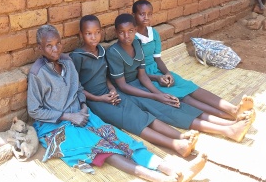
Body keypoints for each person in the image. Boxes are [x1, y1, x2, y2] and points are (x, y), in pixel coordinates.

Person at [27, 24, 207, 182]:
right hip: (56, 127)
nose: (55, 49)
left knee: (123, 140)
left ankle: (172, 169)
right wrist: (68, 116)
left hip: (81, 115)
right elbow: (34, 111)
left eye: (58, 43)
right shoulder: (38, 73)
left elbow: (78, 89)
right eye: (49, 46)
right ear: (40, 48)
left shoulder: (67, 61)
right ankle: (162, 180)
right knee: (104, 148)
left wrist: (82, 107)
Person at [105, 13, 255, 143]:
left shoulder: (137, 43)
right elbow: (123, 86)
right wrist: (156, 97)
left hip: (142, 85)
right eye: (122, 32)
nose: (127, 36)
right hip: (129, 92)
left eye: (130, 31)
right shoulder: (113, 52)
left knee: (176, 102)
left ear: (135, 30)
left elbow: (143, 76)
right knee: (169, 110)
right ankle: (226, 130)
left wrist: (160, 94)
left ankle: (229, 123)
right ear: (116, 33)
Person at [70, 15, 200, 158]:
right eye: (88, 33)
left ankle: (182, 137)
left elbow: (105, 75)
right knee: (134, 121)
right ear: (81, 35)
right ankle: (176, 145)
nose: (93, 37)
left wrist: (112, 89)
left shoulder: (101, 51)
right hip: (95, 102)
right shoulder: (77, 56)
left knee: (142, 114)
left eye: (97, 32)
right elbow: (76, 87)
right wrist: (99, 98)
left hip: (111, 94)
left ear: (101, 32)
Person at [132, 0, 255, 121]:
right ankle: (230, 116)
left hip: (159, 72)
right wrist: (157, 78)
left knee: (191, 87)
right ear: (134, 15)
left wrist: (167, 73)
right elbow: (136, 72)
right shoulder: (131, 38)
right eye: (142, 14)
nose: (146, 17)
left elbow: (157, 59)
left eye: (149, 14)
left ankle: (232, 108)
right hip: (146, 77)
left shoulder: (153, 33)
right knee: (184, 97)